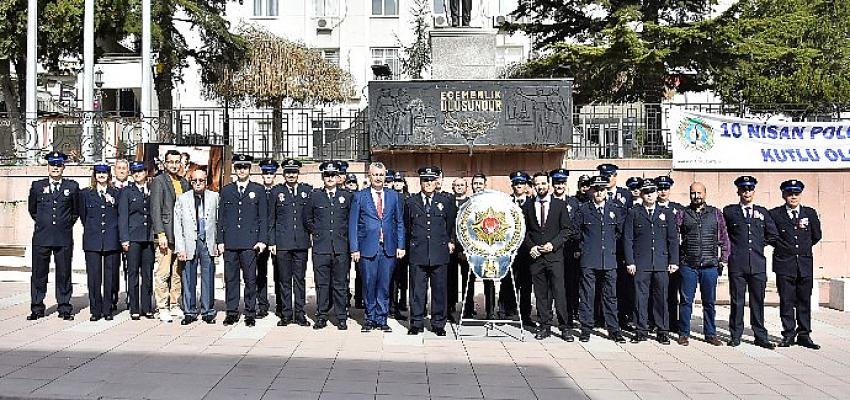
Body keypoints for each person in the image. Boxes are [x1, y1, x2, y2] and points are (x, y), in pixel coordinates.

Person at [349, 162, 406, 333]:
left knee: (384, 284)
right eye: (375, 175)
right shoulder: (359, 196)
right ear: (369, 176)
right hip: (367, 248)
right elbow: (353, 224)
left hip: (388, 247)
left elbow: (399, 222)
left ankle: (382, 319)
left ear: (385, 176)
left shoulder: (394, 196)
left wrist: (401, 244)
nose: (378, 178)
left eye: (381, 175)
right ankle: (369, 318)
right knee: (368, 284)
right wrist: (354, 248)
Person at [723, 176, 777, 348]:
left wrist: (760, 245)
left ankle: (760, 336)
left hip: (757, 264)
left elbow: (773, 234)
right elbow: (724, 234)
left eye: (750, 189)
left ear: (754, 191)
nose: (747, 192)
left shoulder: (762, 212)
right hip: (737, 264)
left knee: (758, 302)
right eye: (743, 189)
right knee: (737, 301)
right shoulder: (730, 212)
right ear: (738, 191)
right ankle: (735, 335)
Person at [623, 178, 679, 344]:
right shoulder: (634, 212)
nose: (649, 195)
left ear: (656, 194)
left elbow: (673, 239)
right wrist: (630, 262)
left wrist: (674, 261)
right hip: (641, 263)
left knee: (661, 298)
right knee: (641, 298)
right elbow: (628, 239)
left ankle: (663, 331)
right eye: (646, 192)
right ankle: (641, 330)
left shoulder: (666, 213)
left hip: (661, 263)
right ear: (641, 194)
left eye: (652, 192)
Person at [216, 154, 268, 327]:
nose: (242, 170)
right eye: (239, 167)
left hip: (249, 243)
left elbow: (263, 218)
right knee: (231, 279)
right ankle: (231, 312)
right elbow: (221, 218)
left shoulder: (258, 190)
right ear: (235, 169)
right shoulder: (227, 190)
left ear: (249, 169)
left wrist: (262, 240)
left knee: (250, 279)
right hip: (230, 242)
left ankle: (250, 312)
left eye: (245, 167)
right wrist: (220, 240)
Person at [770, 179, 822, 349]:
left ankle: (804, 335)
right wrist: (787, 249)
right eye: (790, 193)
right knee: (786, 301)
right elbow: (771, 237)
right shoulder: (775, 214)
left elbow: (816, 236)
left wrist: (801, 250)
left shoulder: (810, 213)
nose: (793, 196)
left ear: (800, 195)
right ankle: (788, 334)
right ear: (784, 194)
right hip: (784, 264)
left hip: (805, 264)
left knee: (804, 301)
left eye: (796, 193)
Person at [675, 182, 729, 346]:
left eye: (699, 193)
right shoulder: (682, 213)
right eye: (693, 193)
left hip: (709, 265)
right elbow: (674, 237)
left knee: (709, 302)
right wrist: (677, 259)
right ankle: (684, 333)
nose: (696, 196)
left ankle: (710, 334)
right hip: (688, 264)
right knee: (685, 301)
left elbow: (724, 238)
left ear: (705, 193)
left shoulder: (715, 213)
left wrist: (724, 259)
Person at [573, 175, 626, 343]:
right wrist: (584, 247)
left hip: (609, 260)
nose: (598, 193)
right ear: (591, 191)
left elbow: (619, 232)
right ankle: (586, 328)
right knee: (587, 295)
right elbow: (575, 232)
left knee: (610, 296)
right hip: (589, 259)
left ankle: (613, 329)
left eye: (602, 189)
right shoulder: (583, 210)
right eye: (595, 189)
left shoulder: (615, 209)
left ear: (606, 191)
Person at [27, 151, 80, 321]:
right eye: (52, 165)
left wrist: (63, 225)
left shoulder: (71, 187)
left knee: (64, 273)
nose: (55, 168)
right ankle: (37, 307)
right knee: (38, 273)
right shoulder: (37, 186)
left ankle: (64, 307)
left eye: (58, 165)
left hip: (63, 237)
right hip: (42, 237)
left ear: (63, 167)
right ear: (47, 167)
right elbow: (33, 210)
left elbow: (75, 211)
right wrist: (45, 223)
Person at [523, 172, 574, 340]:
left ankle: (565, 326)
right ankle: (544, 326)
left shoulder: (560, 205)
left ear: (549, 184)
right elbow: (523, 231)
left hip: (555, 257)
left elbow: (567, 230)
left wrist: (553, 244)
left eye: (543, 183)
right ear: (533, 186)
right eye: (537, 184)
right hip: (536, 258)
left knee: (559, 292)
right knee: (540, 294)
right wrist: (531, 247)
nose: (541, 187)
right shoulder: (528, 206)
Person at [405, 166, 456, 336]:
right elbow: (407, 227)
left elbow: (451, 225)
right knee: (417, 291)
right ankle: (416, 323)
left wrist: (450, 241)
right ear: (420, 182)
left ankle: (438, 323)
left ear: (437, 182)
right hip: (418, 253)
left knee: (439, 291)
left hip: (439, 252)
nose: (428, 183)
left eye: (431, 180)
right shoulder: (411, 202)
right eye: (425, 180)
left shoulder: (446, 201)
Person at [305, 161, 354, 330]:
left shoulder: (347, 196)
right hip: (321, 248)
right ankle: (322, 315)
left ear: (338, 177)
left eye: (333, 175)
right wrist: (319, 232)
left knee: (340, 284)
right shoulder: (315, 196)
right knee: (322, 284)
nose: (330, 178)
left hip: (341, 248)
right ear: (322, 177)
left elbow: (351, 220)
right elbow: (308, 219)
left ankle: (341, 317)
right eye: (327, 175)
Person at [269, 159, 312, 326]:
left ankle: (300, 314)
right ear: (283, 174)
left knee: (299, 280)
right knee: (285, 280)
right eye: (288, 172)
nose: (291, 175)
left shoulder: (306, 191)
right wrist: (272, 241)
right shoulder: (276, 192)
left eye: (293, 172)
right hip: (282, 243)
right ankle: (286, 314)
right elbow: (271, 219)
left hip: (301, 243)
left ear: (298, 173)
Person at [174, 169, 219, 325]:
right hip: (189, 243)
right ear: (190, 181)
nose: (198, 183)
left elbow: (219, 222)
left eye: (201, 180)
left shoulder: (214, 197)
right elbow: (177, 225)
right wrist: (180, 248)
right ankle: (190, 311)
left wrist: (218, 243)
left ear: (206, 181)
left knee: (208, 277)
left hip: (208, 242)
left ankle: (207, 311)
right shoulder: (182, 199)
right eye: (195, 181)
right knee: (188, 278)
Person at [150, 149, 190, 322]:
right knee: (163, 273)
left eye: (176, 161)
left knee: (177, 273)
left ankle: (174, 304)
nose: (174, 165)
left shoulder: (184, 182)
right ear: (165, 163)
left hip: (181, 236)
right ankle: (162, 307)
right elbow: (155, 209)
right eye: (170, 161)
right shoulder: (159, 181)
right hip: (166, 235)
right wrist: (160, 234)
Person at [79, 162, 121, 321]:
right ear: (94, 175)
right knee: (94, 277)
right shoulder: (85, 194)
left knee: (110, 276)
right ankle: (95, 310)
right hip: (92, 239)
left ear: (109, 175)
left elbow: (119, 214)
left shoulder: (116, 193)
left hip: (111, 239)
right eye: (98, 173)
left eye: (104, 173)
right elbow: (83, 216)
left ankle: (108, 309)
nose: (101, 176)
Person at [119, 161, 156, 320]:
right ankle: (134, 307)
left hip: (148, 238)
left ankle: (147, 307)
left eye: (140, 171)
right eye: (134, 172)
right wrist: (124, 239)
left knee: (147, 274)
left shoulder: (152, 190)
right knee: (133, 274)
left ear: (146, 173)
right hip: (133, 238)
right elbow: (123, 217)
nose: (137, 174)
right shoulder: (127, 192)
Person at [550, 168, 581, 329]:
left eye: (562, 182)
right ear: (552, 184)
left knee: (569, 287)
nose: (559, 185)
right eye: (556, 183)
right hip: (551, 251)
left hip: (569, 251)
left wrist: (577, 247)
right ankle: (546, 321)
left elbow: (577, 227)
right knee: (550, 288)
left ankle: (567, 320)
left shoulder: (574, 203)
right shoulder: (547, 201)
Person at [655, 175, 684, 329]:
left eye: (666, 188)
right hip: (656, 254)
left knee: (672, 290)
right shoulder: (651, 208)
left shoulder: (678, 209)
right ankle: (654, 321)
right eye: (660, 188)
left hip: (673, 254)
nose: (663, 192)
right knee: (656, 291)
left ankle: (672, 321)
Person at [256, 159, 279, 319]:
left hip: (277, 240)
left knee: (280, 274)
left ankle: (281, 305)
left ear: (275, 175)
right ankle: (262, 305)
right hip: (260, 239)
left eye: (271, 173)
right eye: (265, 173)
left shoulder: (279, 191)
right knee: (260, 273)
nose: (268, 176)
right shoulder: (257, 191)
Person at [447, 176, 470, 322]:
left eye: (462, 185)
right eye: (456, 185)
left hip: (466, 247)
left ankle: (468, 307)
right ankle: (450, 306)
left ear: (466, 187)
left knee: (468, 278)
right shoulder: (448, 202)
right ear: (453, 188)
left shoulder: (471, 202)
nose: (459, 187)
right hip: (451, 246)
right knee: (450, 278)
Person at [389, 170, 410, 321]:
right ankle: (392, 305)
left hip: (407, 241)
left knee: (404, 276)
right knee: (393, 277)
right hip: (393, 241)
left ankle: (402, 302)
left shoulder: (409, 198)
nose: (397, 184)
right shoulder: (390, 197)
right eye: (395, 181)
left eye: (400, 181)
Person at [111, 159, 131, 312]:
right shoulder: (109, 188)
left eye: (124, 168)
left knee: (130, 269)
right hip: (111, 235)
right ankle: (112, 300)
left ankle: (132, 298)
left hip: (129, 235)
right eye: (119, 168)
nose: (122, 171)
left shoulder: (132, 187)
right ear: (114, 170)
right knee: (112, 269)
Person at [344, 173, 363, 309]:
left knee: (360, 272)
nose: (351, 185)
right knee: (344, 273)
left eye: (353, 183)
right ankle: (345, 298)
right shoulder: (342, 197)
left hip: (358, 240)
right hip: (344, 240)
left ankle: (359, 298)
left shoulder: (360, 197)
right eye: (349, 183)